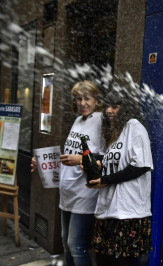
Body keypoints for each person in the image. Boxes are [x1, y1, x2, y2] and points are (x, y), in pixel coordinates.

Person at [32, 80, 104, 266]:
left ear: (97, 100)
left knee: (76, 246)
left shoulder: (101, 120)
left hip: (85, 193)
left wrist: (80, 159)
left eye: (87, 98)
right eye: (79, 99)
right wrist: (42, 162)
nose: (82, 103)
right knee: (66, 242)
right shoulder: (77, 120)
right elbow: (68, 156)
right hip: (67, 193)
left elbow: (106, 156)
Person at [86, 88, 154, 266]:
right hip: (108, 209)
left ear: (126, 108)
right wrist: (95, 164)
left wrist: (106, 180)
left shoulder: (134, 127)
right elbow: (107, 160)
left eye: (114, 107)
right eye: (107, 107)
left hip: (129, 213)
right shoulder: (112, 133)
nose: (109, 111)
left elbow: (141, 165)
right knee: (102, 260)